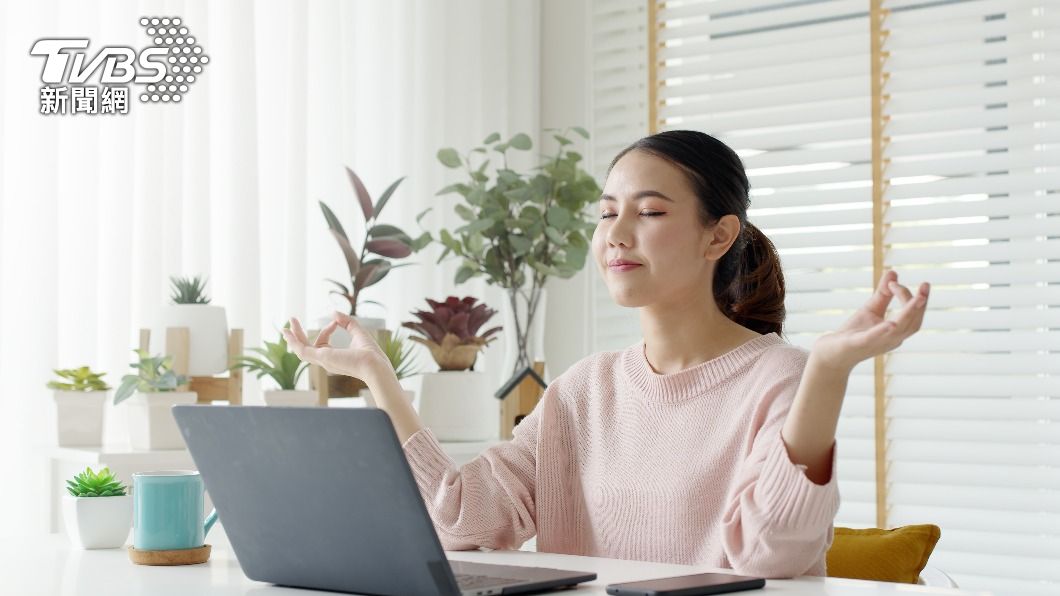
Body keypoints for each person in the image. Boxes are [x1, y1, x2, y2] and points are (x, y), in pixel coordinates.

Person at [284, 130, 930, 578]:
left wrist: (829, 367)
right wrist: (379, 379)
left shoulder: (777, 376)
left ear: (719, 236)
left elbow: (770, 559)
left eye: (649, 212)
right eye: (605, 213)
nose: (616, 234)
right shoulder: (585, 388)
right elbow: (463, 521)